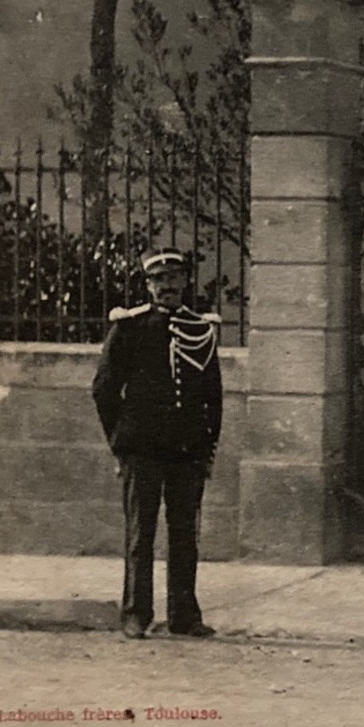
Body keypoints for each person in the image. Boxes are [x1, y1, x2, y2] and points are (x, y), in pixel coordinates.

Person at [93, 248, 223, 640]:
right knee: (140, 534)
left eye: (174, 278)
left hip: (187, 451)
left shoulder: (201, 329)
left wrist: (207, 449)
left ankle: (184, 615)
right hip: (143, 449)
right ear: (148, 285)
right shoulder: (130, 328)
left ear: (185, 282)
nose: (167, 286)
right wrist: (121, 443)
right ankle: (136, 614)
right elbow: (104, 390)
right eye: (158, 280)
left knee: (185, 535)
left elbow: (212, 396)